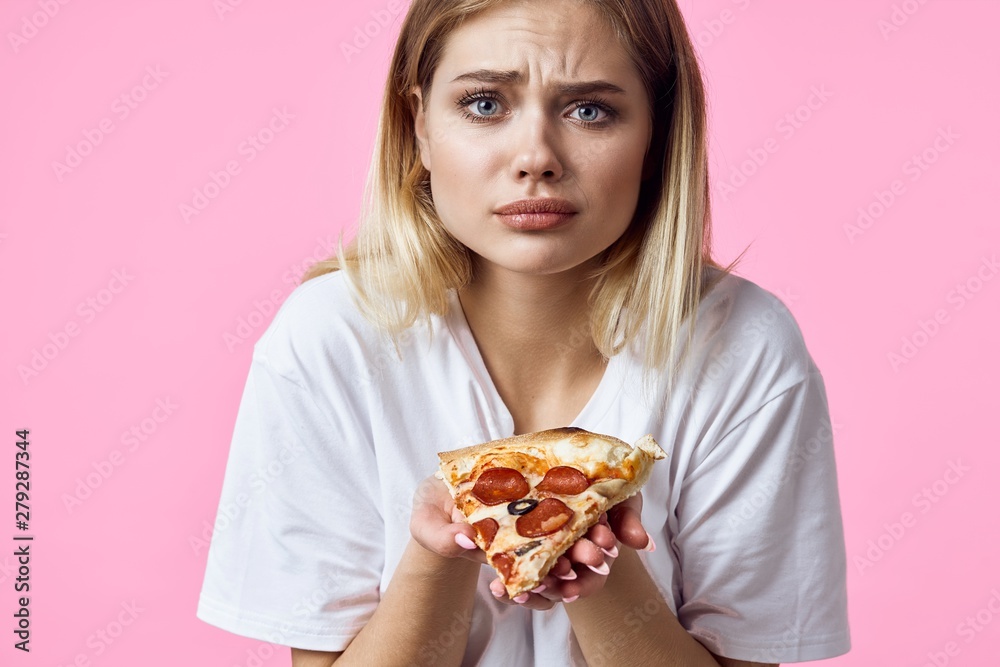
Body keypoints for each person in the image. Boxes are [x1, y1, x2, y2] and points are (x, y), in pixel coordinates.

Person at [195, 0, 851, 665]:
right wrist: (439, 549)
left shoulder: (745, 349)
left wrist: (594, 564)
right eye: (484, 105)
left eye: (589, 109)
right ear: (418, 123)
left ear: (657, 134)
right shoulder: (327, 340)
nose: (536, 156)